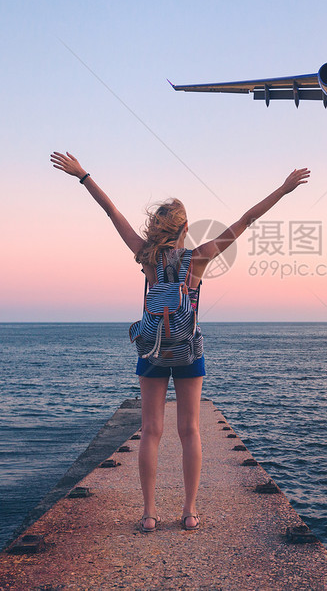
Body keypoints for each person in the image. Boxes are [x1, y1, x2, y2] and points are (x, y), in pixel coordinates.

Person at [50, 151, 310, 533]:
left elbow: (112, 212)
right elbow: (247, 219)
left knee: (151, 429)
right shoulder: (200, 257)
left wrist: (83, 175)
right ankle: (189, 512)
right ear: (185, 226)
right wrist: (284, 189)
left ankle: (149, 514)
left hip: (152, 350)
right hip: (188, 351)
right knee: (189, 430)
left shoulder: (146, 257)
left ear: (156, 228)